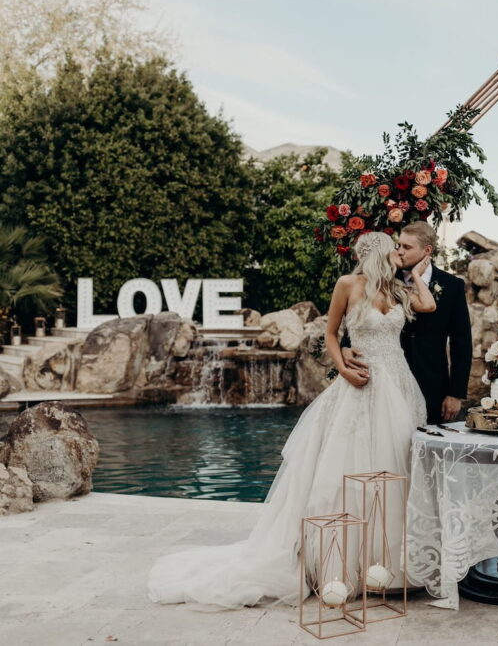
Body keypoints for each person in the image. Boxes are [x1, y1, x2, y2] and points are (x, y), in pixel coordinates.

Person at [147, 231, 433, 610]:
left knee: (394, 468)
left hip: (398, 385)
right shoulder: (348, 284)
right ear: (378, 252)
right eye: (394, 248)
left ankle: (390, 567)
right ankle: (340, 566)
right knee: (351, 467)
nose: (400, 252)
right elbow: (331, 334)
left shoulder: (398, 291)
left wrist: (415, 274)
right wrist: (342, 367)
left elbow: (427, 305)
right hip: (359, 385)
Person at [341, 221, 472, 425]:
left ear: (426, 250)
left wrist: (455, 393)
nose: (400, 252)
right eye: (398, 245)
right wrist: (345, 347)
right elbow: (359, 317)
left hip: (432, 384)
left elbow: (461, 342)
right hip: (384, 381)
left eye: (407, 247)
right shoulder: (384, 278)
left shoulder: (452, 286)